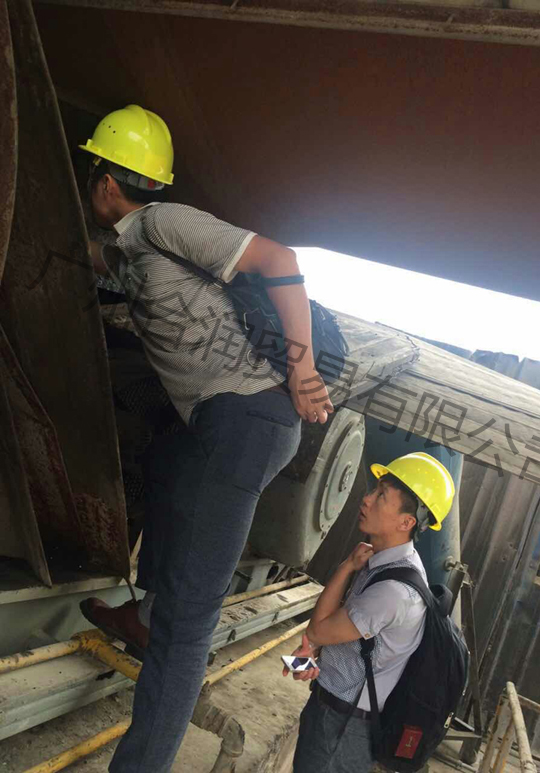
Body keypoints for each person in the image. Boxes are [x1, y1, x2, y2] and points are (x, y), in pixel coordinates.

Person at [78, 104, 333, 773]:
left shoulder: (163, 222)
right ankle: (145, 613)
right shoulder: (130, 249)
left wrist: (303, 369)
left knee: (186, 633)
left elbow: (280, 259)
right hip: (218, 424)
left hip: (248, 421)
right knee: (166, 459)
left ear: (106, 182)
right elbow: (93, 261)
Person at [284, 452, 455, 773]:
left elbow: (318, 629)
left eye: (381, 496)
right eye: (374, 490)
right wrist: (314, 651)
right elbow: (343, 637)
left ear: (406, 522)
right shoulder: (387, 562)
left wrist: (346, 567)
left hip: (342, 727)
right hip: (334, 710)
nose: (366, 499)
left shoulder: (393, 591)